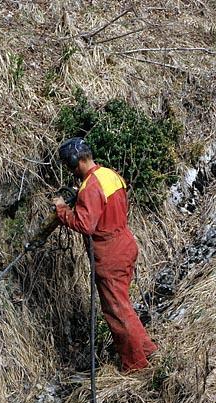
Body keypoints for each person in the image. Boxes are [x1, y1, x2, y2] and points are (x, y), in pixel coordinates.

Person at [53, 137, 157, 372]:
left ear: (76, 162)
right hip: (125, 244)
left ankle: (135, 366)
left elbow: (84, 224)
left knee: (117, 311)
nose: (71, 172)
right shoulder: (110, 175)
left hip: (109, 254)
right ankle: (148, 350)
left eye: (69, 167)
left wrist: (62, 209)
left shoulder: (90, 187)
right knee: (124, 305)